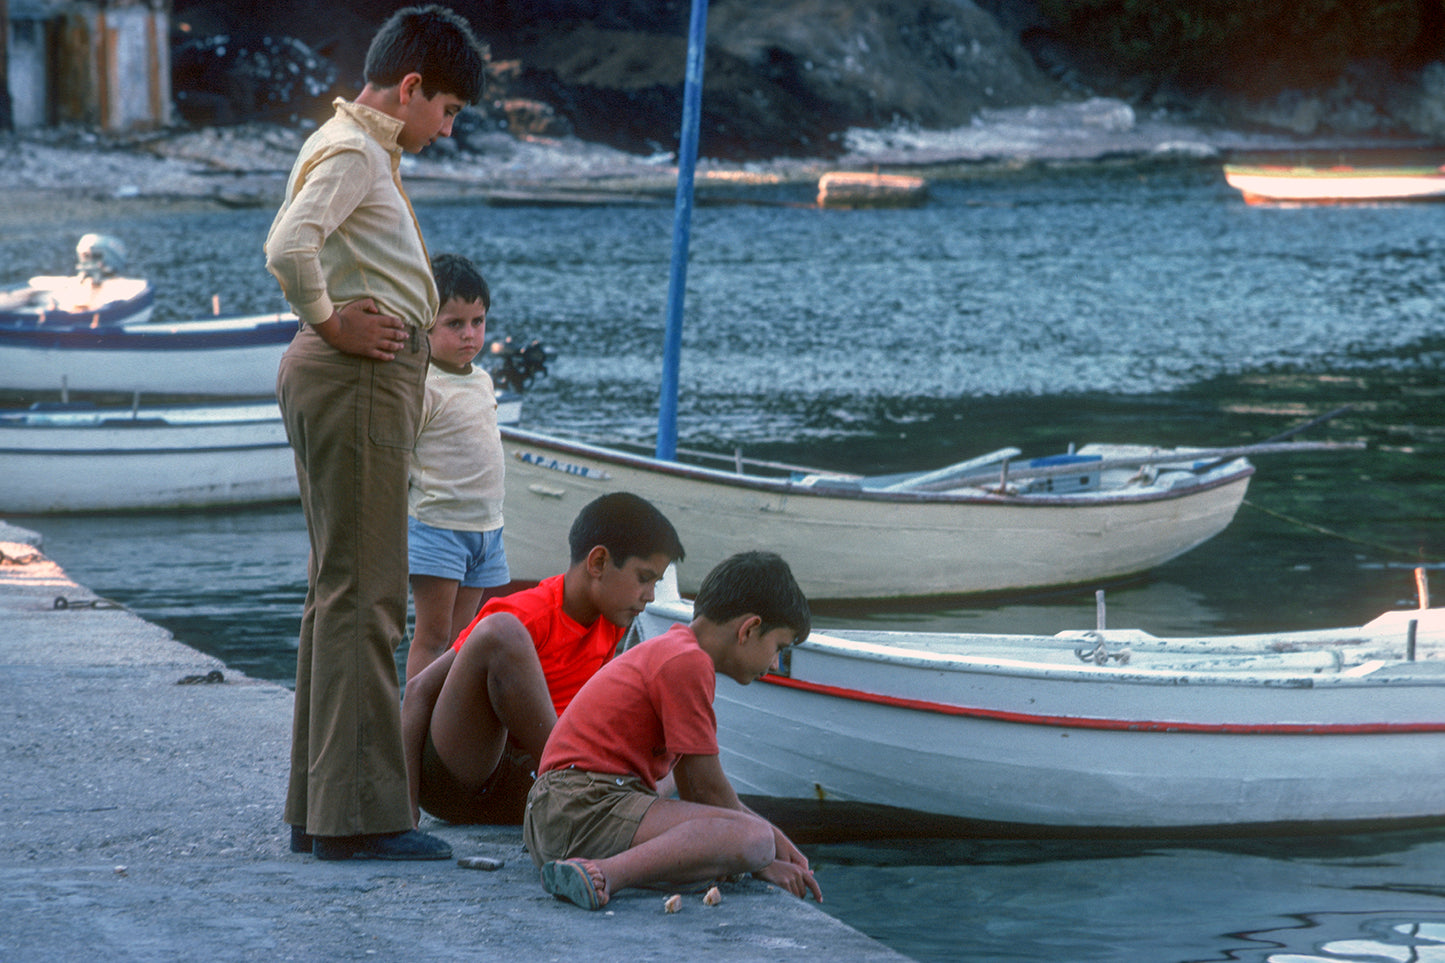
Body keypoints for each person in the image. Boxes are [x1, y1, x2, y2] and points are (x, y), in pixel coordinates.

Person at [263, 5, 488, 861]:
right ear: (410, 87)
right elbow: (290, 247)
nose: (448, 125)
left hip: (357, 376)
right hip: (356, 376)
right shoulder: (357, 150)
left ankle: (319, 807)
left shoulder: (352, 143)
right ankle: (359, 819)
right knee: (368, 595)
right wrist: (330, 322)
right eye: (448, 109)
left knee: (338, 590)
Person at [522, 550, 824, 909]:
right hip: (579, 807)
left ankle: (612, 865)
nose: (774, 664)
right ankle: (604, 873)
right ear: (750, 629)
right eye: (779, 648)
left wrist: (775, 841)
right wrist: (767, 851)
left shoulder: (676, 649)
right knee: (753, 839)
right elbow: (708, 790)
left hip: (561, 811)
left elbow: (695, 787)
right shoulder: (688, 663)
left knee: (717, 817)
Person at [402, 492, 685, 828]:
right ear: (598, 563)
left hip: (525, 782)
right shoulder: (530, 613)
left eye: (656, 583)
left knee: (680, 747)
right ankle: (580, 782)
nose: (650, 596)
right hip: (464, 778)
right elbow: (419, 691)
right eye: (643, 578)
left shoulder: (610, 622)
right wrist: (403, 810)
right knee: (502, 632)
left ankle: (596, 790)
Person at [405, 253, 510, 683]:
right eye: (454, 324)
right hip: (438, 526)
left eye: (478, 322)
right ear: (423, 326)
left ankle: (442, 729)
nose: (469, 335)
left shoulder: (482, 379)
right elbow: (399, 457)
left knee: (462, 638)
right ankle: (413, 727)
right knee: (432, 636)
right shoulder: (422, 385)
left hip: (486, 528)